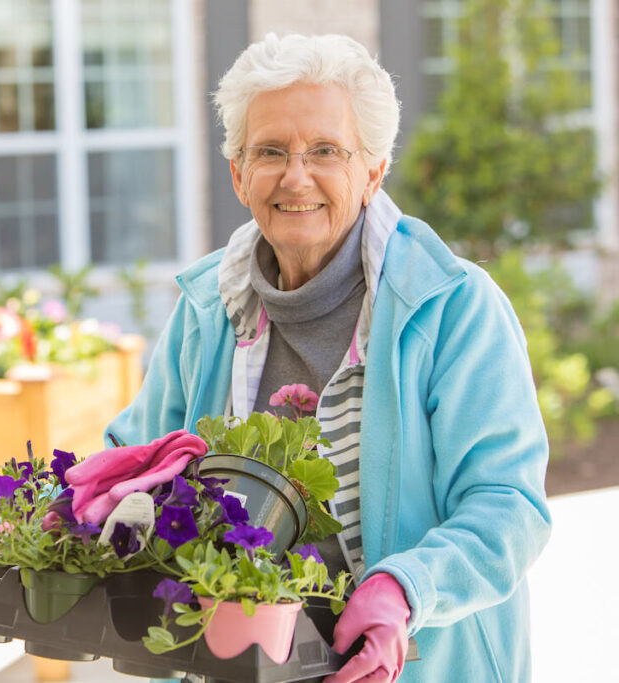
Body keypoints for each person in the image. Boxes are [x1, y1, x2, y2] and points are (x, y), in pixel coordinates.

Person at [106, 33, 551, 683]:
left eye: (325, 151)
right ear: (237, 173)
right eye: (270, 152)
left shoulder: (452, 308)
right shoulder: (207, 310)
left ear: (373, 170)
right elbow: (134, 457)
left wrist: (404, 588)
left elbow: (508, 505)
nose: (295, 176)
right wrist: (58, 528)